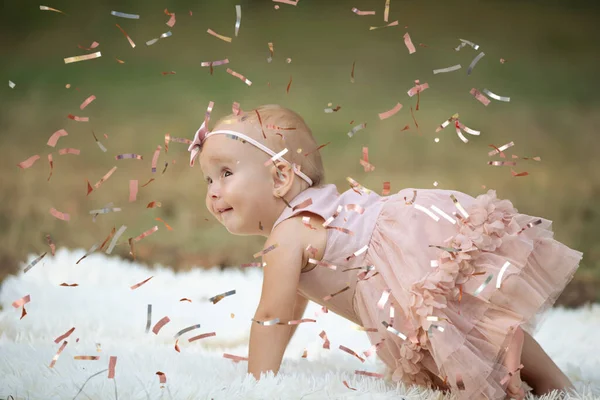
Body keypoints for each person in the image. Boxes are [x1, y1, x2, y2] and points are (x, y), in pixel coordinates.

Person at [189, 103, 583, 399]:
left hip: (399, 265)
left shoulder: (286, 237)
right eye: (208, 179)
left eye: (226, 174)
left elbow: (270, 316)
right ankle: (552, 381)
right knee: (476, 319)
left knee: (468, 326)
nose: (212, 191)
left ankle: (541, 379)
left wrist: (257, 386)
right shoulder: (303, 221)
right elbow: (290, 307)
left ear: (280, 177)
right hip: (412, 237)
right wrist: (273, 363)